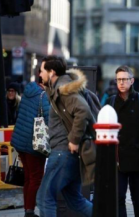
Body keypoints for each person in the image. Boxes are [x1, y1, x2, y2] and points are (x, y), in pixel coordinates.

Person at [36, 56, 93, 217]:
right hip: (68, 155)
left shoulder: (64, 89)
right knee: (75, 200)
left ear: (52, 72)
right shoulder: (58, 87)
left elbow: (83, 111)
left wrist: (74, 140)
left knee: (44, 198)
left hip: (63, 152)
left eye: (42, 71)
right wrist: (47, 87)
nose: (40, 74)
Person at [106, 65, 139, 217]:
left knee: (137, 198)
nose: (121, 83)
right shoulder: (111, 102)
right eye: (118, 79)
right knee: (119, 196)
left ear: (132, 80)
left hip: (138, 158)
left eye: (124, 79)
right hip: (118, 159)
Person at [11, 75, 50, 217]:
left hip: (21, 141)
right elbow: (48, 118)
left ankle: (28, 209)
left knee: (28, 177)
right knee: (36, 178)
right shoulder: (43, 96)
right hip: (35, 143)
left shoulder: (27, 92)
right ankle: (30, 211)